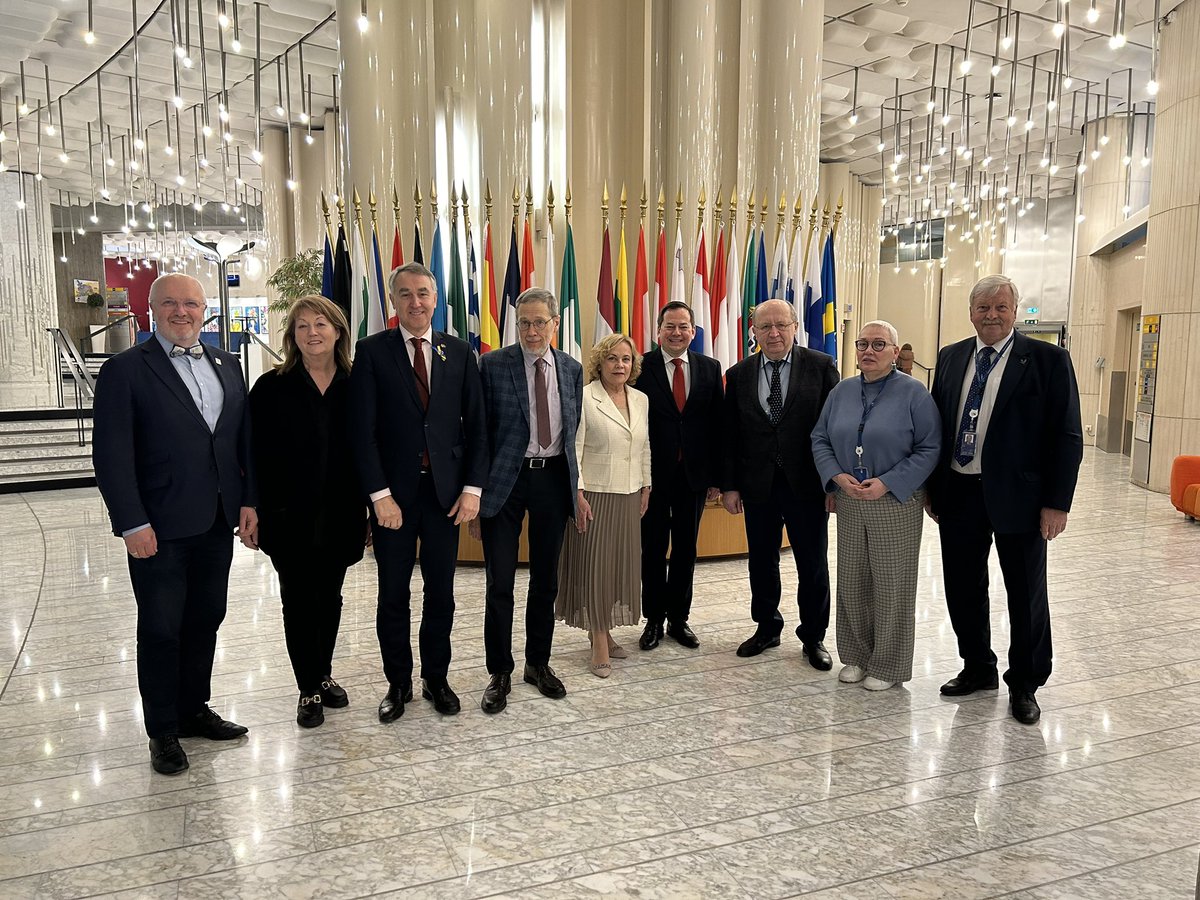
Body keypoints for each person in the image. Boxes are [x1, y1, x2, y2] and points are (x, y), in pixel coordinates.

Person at [92, 273, 255, 776]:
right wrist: (130, 522)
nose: (181, 312)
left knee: (206, 618)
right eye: (170, 304)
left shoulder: (228, 363)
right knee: (162, 628)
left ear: (204, 309)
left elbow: (238, 443)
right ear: (150, 309)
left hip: (216, 520)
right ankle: (162, 730)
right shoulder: (125, 370)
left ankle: (192, 709)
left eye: (190, 303)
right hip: (157, 527)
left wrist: (248, 502)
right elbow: (112, 455)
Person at [927, 274, 1083, 725]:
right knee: (962, 586)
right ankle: (978, 666)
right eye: (983, 308)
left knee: (1025, 593)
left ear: (1015, 311)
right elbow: (940, 425)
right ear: (970, 312)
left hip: (1022, 498)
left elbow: (1067, 435)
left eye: (1000, 308)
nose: (991, 316)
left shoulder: (1048, 360)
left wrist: (1058, 502)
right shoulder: (952, 356)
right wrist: (935, 488)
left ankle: (1026, 684)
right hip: (959, 490)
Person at [349, 262, 488, 721]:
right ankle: (399, 683)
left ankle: (436, 677)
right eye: (405, 294)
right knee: (393, 594)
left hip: (447, 497)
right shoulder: (371, 352)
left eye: (423, 293)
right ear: (393, 301)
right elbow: (362, 433)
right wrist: (378, 495)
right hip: (393, 499)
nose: (416, 302)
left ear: (435, 298)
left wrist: (472, 490)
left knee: (441, 593)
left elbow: (477, 427)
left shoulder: (459, 351)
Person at [249, 295, 367, 728]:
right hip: (287, 515)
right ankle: (308, 688)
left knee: (330, 598)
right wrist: (253, 507)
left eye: (321, 324)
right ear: (291, 336)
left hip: (342, 512)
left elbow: (369, 450)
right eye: (302, 326)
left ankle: (323, 672)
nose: (312, 333)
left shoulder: (358, 384)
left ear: (338, 331)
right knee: (298, 601)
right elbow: (253, 453)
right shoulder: (270, 387)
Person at [811, 320, 941, 691]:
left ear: (895, 353)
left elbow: (930, 447)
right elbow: (819, 437)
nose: (869, 351)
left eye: (879, 344)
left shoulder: (915, 394)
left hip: (895, 500)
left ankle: (887, 664)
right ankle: (856, 655)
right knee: (852, 582)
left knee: (891, 585)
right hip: (851, 498)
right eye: (863, 343)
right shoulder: (842, 391)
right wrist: (836, 476)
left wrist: (887, 482)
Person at [470, 288, 583, 713]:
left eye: (540, 322)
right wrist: (476, 495)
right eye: (524, 323)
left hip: (553, 480)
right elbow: (480, 434)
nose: (532, 331)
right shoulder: (492, 364)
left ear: (556, 323)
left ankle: (538, 663)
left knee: (545, 580)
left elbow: (574, 434)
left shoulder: (571, 369)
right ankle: (499, 671)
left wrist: (578, 488)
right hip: (505, 481)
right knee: (500, 582)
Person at [721, 298, 839, 667]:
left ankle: (814, 637)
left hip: (807, 485)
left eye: (781, 325)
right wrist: (730, 485)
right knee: (761, 561)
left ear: (794, 327)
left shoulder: (821, 367)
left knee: (812, 564)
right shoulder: (739, 374)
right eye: (765, 326)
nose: (773, 333)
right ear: (753, 331)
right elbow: (731, 435)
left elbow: (834, 428)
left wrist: (832, 483)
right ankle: (767, 628)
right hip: (758, 486)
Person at [556, 334, 651, 677]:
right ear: (600, 363)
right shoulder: (583, 398)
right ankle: (597, 640)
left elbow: (644, 446)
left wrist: (646, 485)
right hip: (594, 495)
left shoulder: (640, 399)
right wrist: (577, 493)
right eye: (612, 359)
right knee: (594, 566)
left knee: (616, 566)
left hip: (629, 495)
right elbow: (573, 449)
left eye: (626, 359)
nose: (619, 365)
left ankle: (607, 631)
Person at [632, 300, 723, 651]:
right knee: (652, 549)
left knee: (686, 548)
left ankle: (679, 620)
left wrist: (717, 476)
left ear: (693, 332)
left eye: (683, 326)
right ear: (658, 331)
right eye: (669, 326)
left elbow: (719, 426)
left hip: (695, 477)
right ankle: (653, 620)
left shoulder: (710, 368)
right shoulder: (640, 367)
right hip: (651, 477)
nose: (676, 332)